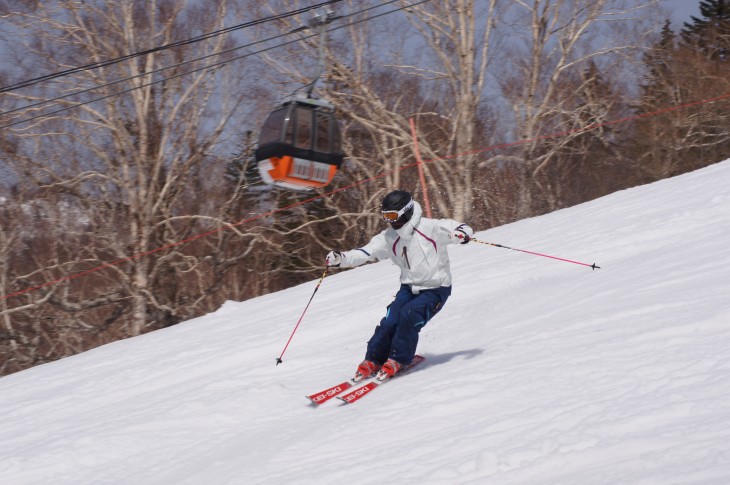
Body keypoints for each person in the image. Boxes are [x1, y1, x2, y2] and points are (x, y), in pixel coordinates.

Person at [326, 190, 473, 381]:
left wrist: (462, 234)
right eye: (386, 216)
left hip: (436, 289)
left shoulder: (430, 228)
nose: (390, 221)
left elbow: (459, 227)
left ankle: (398, 358)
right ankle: (373, 359)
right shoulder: (389, 236)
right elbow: (365, 252)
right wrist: (341, 259)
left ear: (407, 211)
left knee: (409, 315)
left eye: (393, 216)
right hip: (408, 289)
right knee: (390, 320)